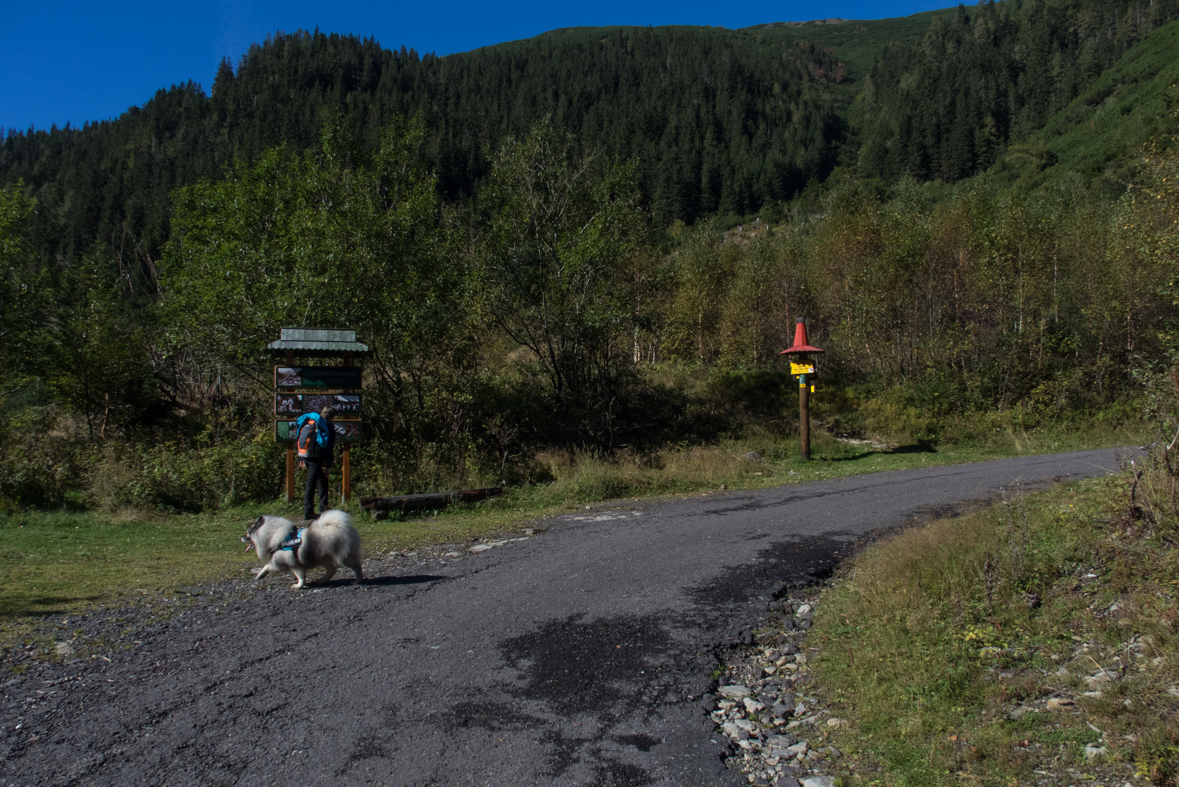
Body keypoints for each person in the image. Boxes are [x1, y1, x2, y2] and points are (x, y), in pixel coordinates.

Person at [300, 405, 337, 520]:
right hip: (317, 458)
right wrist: (328, 466)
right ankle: (308, 511)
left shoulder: (312, 423)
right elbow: (329, 448)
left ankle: (323, 506)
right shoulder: (328, 427)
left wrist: (301, 458)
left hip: (306, 456)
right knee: (311, 483)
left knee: (322, 479)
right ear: (332, 416)